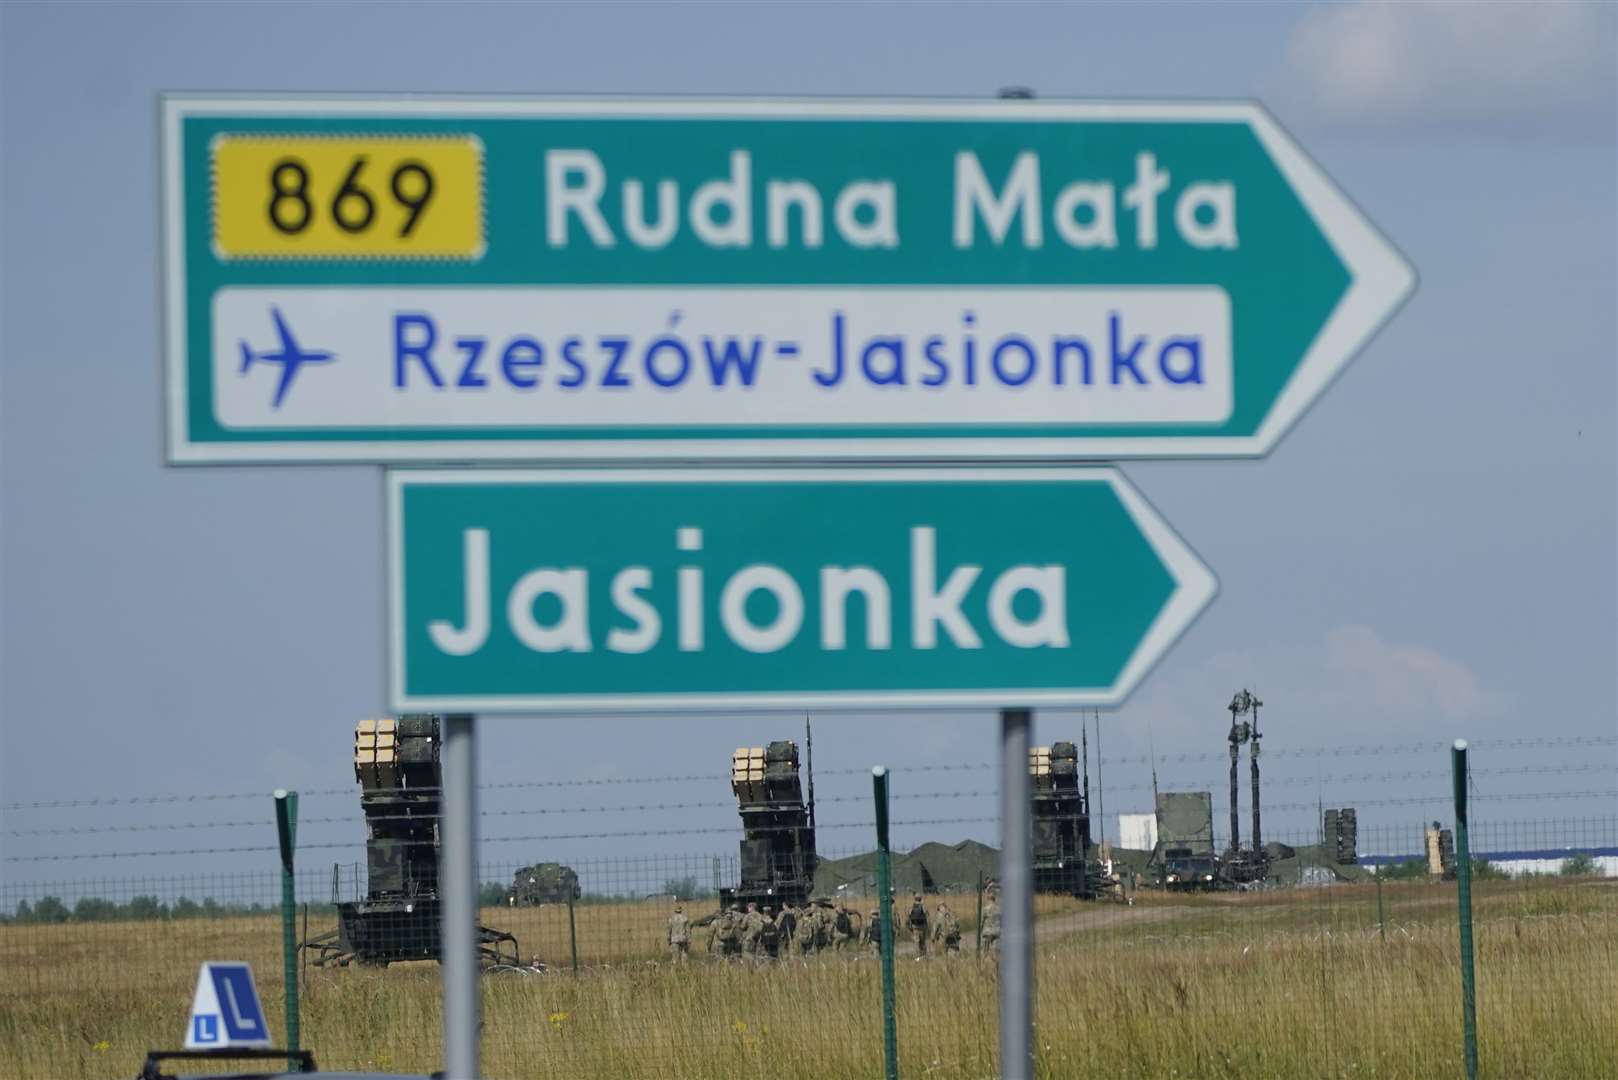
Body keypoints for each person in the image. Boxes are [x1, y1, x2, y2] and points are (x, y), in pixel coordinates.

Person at [980, 884, 1001, 966]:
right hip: (997, 932)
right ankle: (997, 967)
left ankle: (982, 965)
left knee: (984, 952)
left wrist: (980, 931)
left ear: (988, 898)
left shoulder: (985, 909)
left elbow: (981, 922)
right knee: (996, 952)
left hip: (987, 933)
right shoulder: (999, 909)